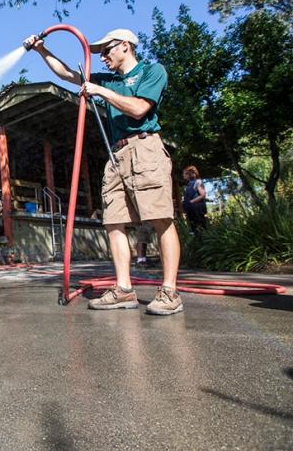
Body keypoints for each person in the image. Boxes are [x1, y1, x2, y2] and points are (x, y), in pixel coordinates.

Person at [23, 28, 183, 315]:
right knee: (114, 222)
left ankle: (170, 292)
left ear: (125, 46)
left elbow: (138, 109)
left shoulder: (151, 71)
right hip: (116, 154)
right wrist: (41, 50)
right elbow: (68, 75)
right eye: (99, 53)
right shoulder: (107, 79)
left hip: (145, 149)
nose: (102, 57)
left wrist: (101, 92)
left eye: (107, 50)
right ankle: (124, 289)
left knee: (160, 218)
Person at [182, 165, 207, 233]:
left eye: (184, 173)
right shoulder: (189, 185)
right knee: (194, 229)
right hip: (191, 211)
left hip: (197, 210)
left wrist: (191, 202)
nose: (183, 175)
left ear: (189, 174)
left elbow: (202, 195)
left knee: (201, 228)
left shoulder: (198, 182)